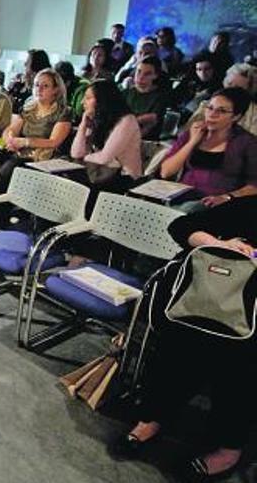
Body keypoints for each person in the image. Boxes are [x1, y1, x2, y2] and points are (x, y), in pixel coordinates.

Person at [110, 194, 257, 480]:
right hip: (205, 301)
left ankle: (230, 447)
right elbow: (182, 226)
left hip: (250, 324)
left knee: (240, 368)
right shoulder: (251, 206)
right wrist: (221, 245)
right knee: (177, 347)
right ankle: (154, 417)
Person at [159, 88, 257, 210]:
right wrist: (192, 142)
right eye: (210, 108)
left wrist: (227, 197)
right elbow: (166, 172)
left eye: (221, 111)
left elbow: (254, 185)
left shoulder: (247, 142)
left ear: (236, 116)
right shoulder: (192, 133)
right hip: (181, 194)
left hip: (216, 202)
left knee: (186, 210)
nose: (212, 114)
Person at [71, 79, 143, 187]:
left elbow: (105, 157)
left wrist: (85, 158)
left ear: (102, 100)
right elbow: (76, 153)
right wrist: (82, 125)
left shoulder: (127, 120)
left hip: (124, 176)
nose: (82, 102)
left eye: (88, 98)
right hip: (99, 172)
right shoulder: (97, 118)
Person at [187, 63, 257, 135]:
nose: (230, 90)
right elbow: (187, 132)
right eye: (229, 84)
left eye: (238, 88)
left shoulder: (254, 115)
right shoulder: (206, 105)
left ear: (249, 90)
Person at [122, 56, 169, 140]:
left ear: (155, 76)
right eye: (139, 72)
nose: (140, 77)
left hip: (144, 141)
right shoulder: (126, 93)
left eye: (147, 74)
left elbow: (151, 120)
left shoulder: (160, 97)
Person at [7, 49, 51, 113]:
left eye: (27, 62)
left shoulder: (41, 93)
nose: (24, 64)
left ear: (35, 69)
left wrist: (13, 104)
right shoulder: (19, 85)